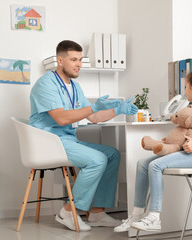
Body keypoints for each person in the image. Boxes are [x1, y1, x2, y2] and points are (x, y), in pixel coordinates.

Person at [29, 40, 138, 231]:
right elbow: (62, 118)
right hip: (49, 142)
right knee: (96, 160)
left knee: (111, 154)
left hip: (68, 140)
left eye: (80, 59)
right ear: (60, 60)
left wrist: (117, 109)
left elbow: (94, 117)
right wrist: (93, 106)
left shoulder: (75, 87)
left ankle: (96, 213)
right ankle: (68, 212)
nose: (78, 64)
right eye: (73, 59)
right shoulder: (46, 83)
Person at [114, 69, 192, 232]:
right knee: (142, 163)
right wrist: (171, 140)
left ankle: (154, 217)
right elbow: (185, 131)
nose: (184, 91)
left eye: (185, 86)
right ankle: (137, 214)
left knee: (155, 166)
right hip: (187, 152)